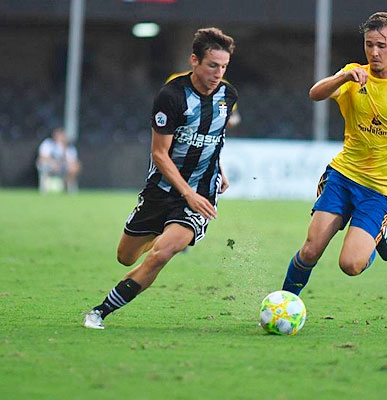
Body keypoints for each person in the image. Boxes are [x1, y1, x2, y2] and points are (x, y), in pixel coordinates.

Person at [83, 27, 238, 329]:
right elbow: (159, 154)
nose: (219, 73)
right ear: (194, 60)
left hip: (200, 194)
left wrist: (216, 172)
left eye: (224, 67)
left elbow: (215, 137)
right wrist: (186, 192)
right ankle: (163, 232)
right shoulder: (171, 97)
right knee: (126, 257)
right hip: (162, 189)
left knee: (161, 254)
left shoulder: (228, 96)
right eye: (212, 65)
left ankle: (100, 311)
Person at [282, 12, 387, 295]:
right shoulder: (353, 74)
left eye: (381, 45)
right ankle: (285, 302)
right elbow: (315, 93)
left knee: (350, 264)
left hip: (379, 190)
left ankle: (377, 235)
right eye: (369, 44)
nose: (374, 52)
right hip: (343, 177)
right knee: (310, 251)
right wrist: (343, 76)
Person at [36, 126, 81, 193]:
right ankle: (45, 188)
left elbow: (73, 161)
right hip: (50, 165)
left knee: (75, 167)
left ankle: (67, 186)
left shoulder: (69, 147)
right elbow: (42, 158)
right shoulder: (48, 144)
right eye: (58, 134)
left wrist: (64, 150)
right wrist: (53, 163)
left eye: (62, 134)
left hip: (63, 166)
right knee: (43, 165)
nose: (60, 136)